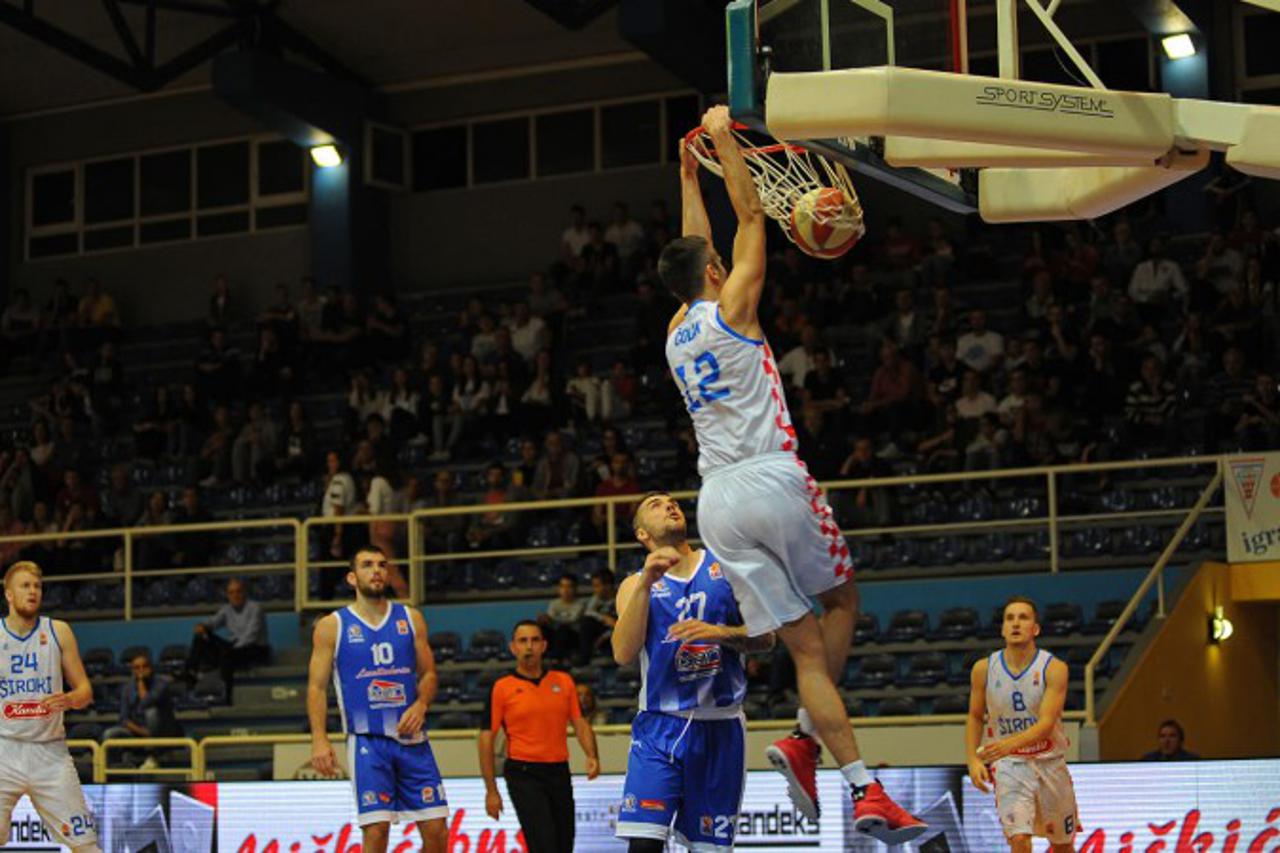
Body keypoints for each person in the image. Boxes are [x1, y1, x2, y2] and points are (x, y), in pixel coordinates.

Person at [659, 104, 924, 842]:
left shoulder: (675, 331)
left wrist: (687, 177)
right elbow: (750, 215)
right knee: (841, 601)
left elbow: (696, 249)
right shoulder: (736, 306)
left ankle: (855, 780)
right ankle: (813, 742)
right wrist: (720, 141)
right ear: (715, 273)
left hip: (716, 501)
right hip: (772, 478)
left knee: (802, 645)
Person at [612, 492, 774, 852]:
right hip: (659, 727)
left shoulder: (726, 567)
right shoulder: (634, 584)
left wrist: (721, 633)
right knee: (643, 845)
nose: (669, 506)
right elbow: (623, 652)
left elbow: (767, 638)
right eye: (655, 505)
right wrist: (646, 583)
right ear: (641, 534)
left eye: (672, 502)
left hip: (720, 727)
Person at [307, 547, 448, 853]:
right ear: (352, 577)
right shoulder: (332, 625)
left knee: (437, 832)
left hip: (413, 740)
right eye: (367, 565)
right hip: (367, 741)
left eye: (382, 565)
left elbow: (429, 674)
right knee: (376, 832)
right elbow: (316, 688)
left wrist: (421, 704)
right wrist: (319, 738)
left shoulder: (411, 618)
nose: (377, 571)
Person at [0, 561, 100, 853]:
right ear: (9, 594)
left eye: (37, 586)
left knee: (87, 846)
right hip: (4, 750)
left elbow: (85, 691)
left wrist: (69, 699)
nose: (33, 591)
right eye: (25, 586)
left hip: (50, 753)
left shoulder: (58, 631)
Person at [966, 597, 1077, 853]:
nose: (1015, 623)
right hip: (1010, 765)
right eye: (1010, 618)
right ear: (1003, 629)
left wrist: (1005, 745)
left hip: (1049, 761)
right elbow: (974, 716)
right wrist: (972, 759)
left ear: (1035, 629)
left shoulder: (1054, 668)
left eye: (1023, 618)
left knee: (1062, 845)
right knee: (1019, 839)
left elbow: (1046, 724)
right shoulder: (983, 669)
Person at [477, 620, 600, 853]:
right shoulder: (502, 687)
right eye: (523, 641)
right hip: (524, 773)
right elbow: (485, 739)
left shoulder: (563, 681)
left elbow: (580, 722)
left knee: (564, 844)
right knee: (544, 843)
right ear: (513, 647)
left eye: (534, 640)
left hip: (558, 771)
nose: (529, 646)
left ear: (544, 646)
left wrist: (592, 755)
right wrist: (491, 790)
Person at [186, 578, 270, 701]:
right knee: (201, 636)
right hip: (234, 648)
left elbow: (251, 636)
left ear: (244, 592)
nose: (235, 595)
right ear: (227, 595)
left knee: (227, 654)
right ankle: (190, 673)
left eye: (238, 591)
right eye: (231, 592)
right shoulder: (226, 609)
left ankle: (227, 696)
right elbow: (213, 622)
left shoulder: (256, 608)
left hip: (255, 648)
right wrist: (202, 625)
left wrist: (229, 649)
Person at [102, 652, 182, 768]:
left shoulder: (161, 685)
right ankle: (114, 768)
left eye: (144, 667)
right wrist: (141, 732)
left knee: (151, 712)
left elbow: (146, 703)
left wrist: (141, 683)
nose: (141, 670)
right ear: (132, 670)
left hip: (162, 732)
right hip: (137, 731)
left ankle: (154, 756)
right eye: (137, 668)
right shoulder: (127, 688)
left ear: (151, 668)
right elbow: (123, 718)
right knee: (109, 734)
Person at [538, 574, 585, 662]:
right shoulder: (554, 603)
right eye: (562, 586)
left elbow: (572, 620)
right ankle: (539, 656)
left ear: (575, 589)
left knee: (563, 628)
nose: (565, 590)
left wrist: (553, 619)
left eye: (569, 587)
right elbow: (550, 620)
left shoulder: (580, 604)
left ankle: (557, 659)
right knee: (542, 628)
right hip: (556, 635)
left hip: (572, 637)